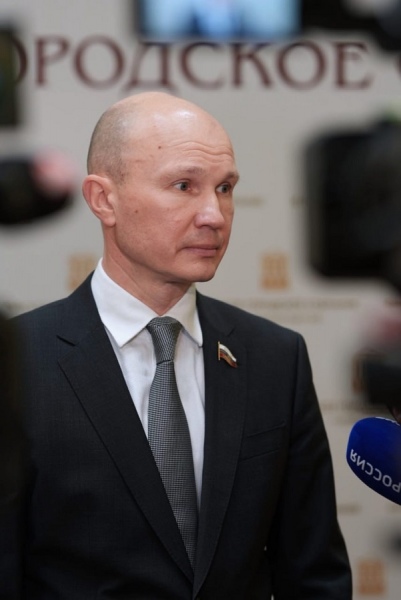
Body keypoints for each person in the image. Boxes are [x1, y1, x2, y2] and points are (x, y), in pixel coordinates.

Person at [1, 91, 352, 599]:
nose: (214, 215)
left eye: (225, 188)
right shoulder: (17, 360)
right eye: (184, 186)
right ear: (104, 199)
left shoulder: (276, 357)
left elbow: (314, 574)